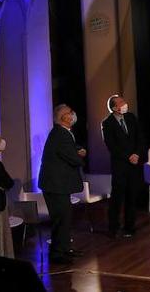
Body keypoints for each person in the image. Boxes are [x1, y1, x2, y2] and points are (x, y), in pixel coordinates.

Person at [38, 104, 85, 265]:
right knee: (61, 220)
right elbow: (72, 157)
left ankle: (65, 248)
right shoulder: (60, 134)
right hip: (55, 185)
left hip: (59, 184)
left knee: (65, 218)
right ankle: (57, 254)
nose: (72, 114)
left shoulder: (63, 133)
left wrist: (78, 150)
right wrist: (80, 156)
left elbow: (69, 149)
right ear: (63, 117)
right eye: (69, 112)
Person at [100, 94, 145, 238]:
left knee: (132, 196)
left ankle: (129, 227)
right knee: (117, 197)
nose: (124, 103)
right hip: (120, 165)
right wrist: (128, 156)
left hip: (134, 164)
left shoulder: (131, 117)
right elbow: (111, 146)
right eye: (121, 102)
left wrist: (136, 154)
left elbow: (139, 137)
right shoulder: (107, 123)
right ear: (114, 108)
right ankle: (113, 228)